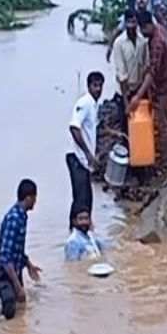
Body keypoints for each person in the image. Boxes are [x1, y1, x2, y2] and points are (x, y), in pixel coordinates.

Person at [131, 11, 167, 168]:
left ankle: (165, 160)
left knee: (161, 122)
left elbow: (152, 73)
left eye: (142, 29)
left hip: (166, 85)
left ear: (147, 25)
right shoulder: (160, 29)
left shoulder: (156, 43)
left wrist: (138, 96)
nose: (141, 32)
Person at [0, 179, 43, 320]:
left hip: (14, 270)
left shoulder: (22, 216)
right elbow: (5, 256)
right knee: (10, 310)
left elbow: (17, 249)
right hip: (4, 273)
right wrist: (17, 285)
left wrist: (29, 265)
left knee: (21, 304)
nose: (35, 201)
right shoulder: (14, 219)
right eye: (35, 198)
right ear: (29, 198)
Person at [68, 72, 104, 229]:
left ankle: (81, 231)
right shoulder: (85, 103)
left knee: (84, 199)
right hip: (78, 158)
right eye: (95, 85)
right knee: (82, 201)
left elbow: (89, 129)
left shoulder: (94, 105)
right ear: (88, 86)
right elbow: (74, 127)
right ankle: (76, 234)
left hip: (83, 161)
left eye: (100, 85)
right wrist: (88, 154)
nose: (98, 89)